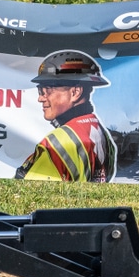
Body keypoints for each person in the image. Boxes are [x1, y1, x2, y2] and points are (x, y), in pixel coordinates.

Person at [15, 50, 118, 182]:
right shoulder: (100, 132)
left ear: (75, 92)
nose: (40, 98)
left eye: (47, 90)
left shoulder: (56, 143)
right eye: (40, 91)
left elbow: (31, 190)